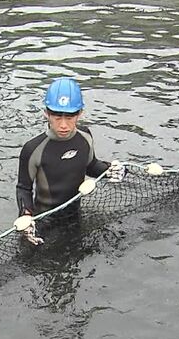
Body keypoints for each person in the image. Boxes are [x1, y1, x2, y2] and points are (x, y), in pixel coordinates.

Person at [15, 77, 124, 245]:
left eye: (70, 117)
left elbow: (91, 165)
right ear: (47, 113)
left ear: (80, 114)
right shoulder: (33, 149)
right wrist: (26, 216)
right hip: (44, 223)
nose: (64, 125)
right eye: (57, 117)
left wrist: (110, 170)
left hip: (75, 216)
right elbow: (23, 189)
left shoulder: (85, 136)